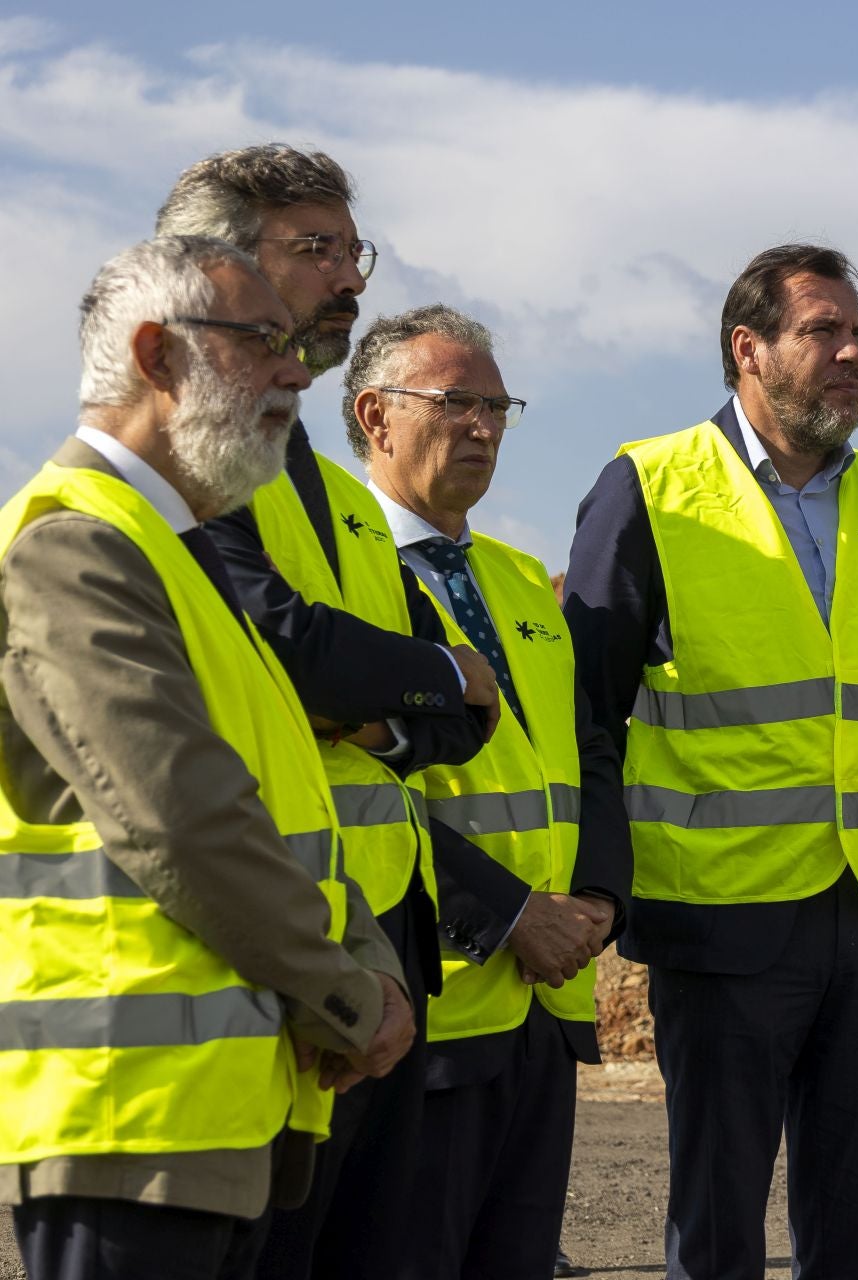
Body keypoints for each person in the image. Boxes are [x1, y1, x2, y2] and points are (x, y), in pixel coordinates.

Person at [0, 235, 412, 1278]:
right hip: (129, 1124)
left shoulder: (175, 547)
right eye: (260, 340)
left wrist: (362, 958)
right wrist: (349, 991)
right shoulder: (73, 542)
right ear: (156, 355)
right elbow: (182, 818)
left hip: (220, 1111)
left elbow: (279, 807)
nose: (295, 369)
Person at [565, 243, 858, 1279]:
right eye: (824, 330)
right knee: (720, 1215)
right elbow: (584, 710)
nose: (852, 354)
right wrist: (599, 884)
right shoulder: (651, 487)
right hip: (723, 915)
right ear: (749, 348)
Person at [155, 143, 505, 1280]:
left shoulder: (336, 491)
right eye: (314, 249)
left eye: (353, 250)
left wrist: (398, 700)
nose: (348, 278)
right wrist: (429, 681)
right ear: (213, 270)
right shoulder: (190, 455)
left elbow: (466, 715)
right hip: (254, 954)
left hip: (381, 940)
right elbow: (282, 642)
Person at [342, 304, 630, 1280]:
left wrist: (597, 898)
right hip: (421, 1004)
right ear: (374, 415)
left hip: (542, 1009)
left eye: (498, 405)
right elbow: (354, 787)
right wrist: (507, 914)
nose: (484, 426)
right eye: (456, 401)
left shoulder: (518, 580)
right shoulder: (335, 581)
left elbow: (589, 752)